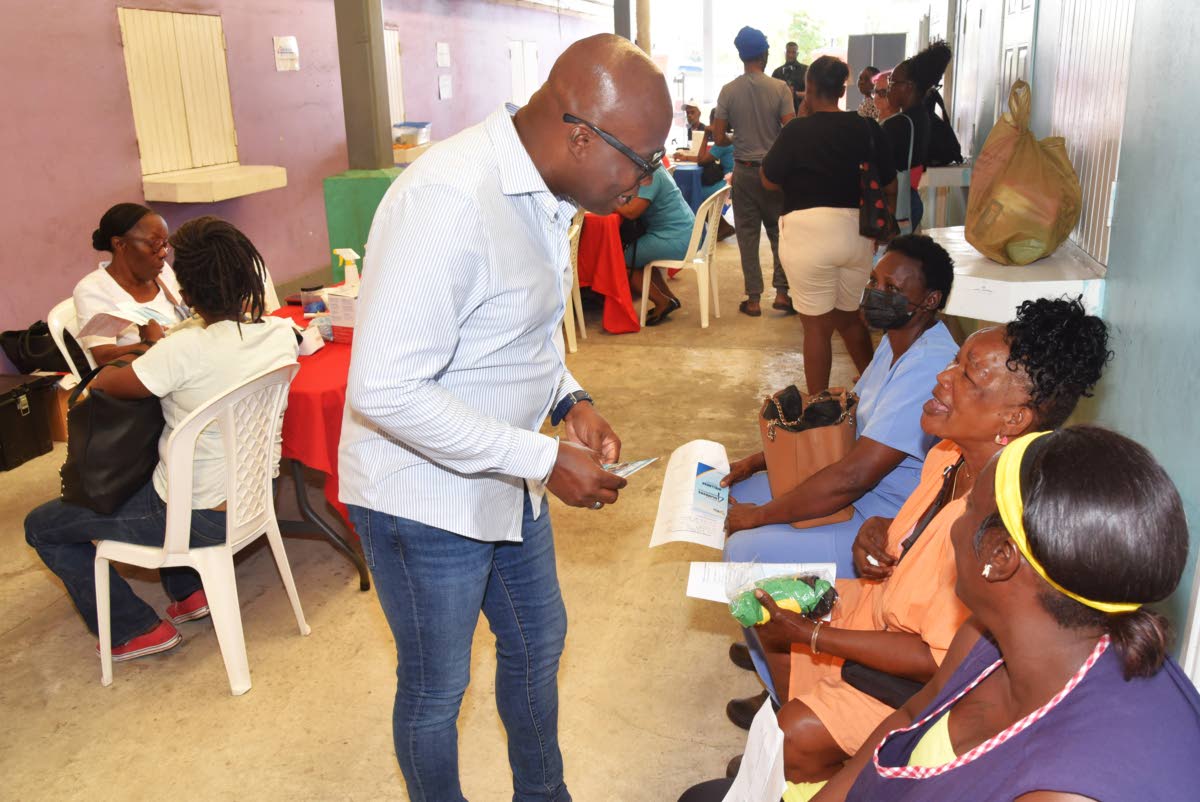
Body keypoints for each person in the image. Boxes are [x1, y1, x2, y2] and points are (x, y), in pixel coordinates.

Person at [337, 34, 671, 802]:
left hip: (504, 475)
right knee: (436, 688)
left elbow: (512, 330)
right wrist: (546, 460)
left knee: (535, 641)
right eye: (641, 158)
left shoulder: (549, 189)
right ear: (580, 133)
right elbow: (385, 391)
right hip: (420, 497)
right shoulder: (449, 199)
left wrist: (569, 399)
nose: (646, 178)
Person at [684, 297, 1113, 802]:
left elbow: (937, 662)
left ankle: (814, 754)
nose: (942, 379)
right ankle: (805, 742)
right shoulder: (952, 454)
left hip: (925, 679)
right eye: (954, 362)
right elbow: (922, 528)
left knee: (791, 717)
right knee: (764, 601)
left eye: (968, 376)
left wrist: (816, 635)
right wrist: (881, 531)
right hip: (883, 610)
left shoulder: (1001, 523)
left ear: (1014, 418)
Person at [813, 425, 1200, 802]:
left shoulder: (1064, 789)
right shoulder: (990, 636)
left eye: (966, 508)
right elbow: (913, 715)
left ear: (1000, 558)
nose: (953, 528)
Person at [25, 216, 299, 662]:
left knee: (42, 526)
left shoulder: (180, 350)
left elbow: (105, 384)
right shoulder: (279, 334)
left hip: (197, 516)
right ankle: (189, 591)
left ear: (186, 294)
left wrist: (149, 345)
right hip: (254, 495)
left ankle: (133, 629)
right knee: (161, 470)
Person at [723, 236, 958, 577]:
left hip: (882, 515)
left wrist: (759, 517)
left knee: (743, 551)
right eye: (874, 281)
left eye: (891, 288)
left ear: (930, 300)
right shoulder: (898, 341)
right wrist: (757, 461)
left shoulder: (928, 367)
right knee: (730, 493)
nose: (876, 293)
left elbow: (853, 476)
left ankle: (788, 624)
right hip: (856, 490)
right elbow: (844, 429)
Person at [761, 56, 898, 397]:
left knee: (817, 329)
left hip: (806, 234)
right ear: (842, 90)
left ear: (807, 89)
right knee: (849, 318)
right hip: (856, 235)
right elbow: (891, 186)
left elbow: (767, 180)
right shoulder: (867, 127)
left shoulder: (795, 131)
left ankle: (819, 409)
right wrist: (876, 231)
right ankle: (878, 391)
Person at [713, 26, 796, 318]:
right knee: (779, 234)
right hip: (773, 172)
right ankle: (783, 295)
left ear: (741, 55)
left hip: (744, 172)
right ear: (764, 54)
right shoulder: (780, 89)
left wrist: (739, 138)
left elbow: (719, 135)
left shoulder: (728, 91)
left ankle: (753, 300)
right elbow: (791, 130)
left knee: (747, 235)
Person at [75, 203, 190, 366]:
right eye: (155, 244)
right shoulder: (94, 289)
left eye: (165, 244)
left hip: (183, 361)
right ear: (120, 244)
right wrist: (149, 343)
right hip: (144, 376)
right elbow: (103, 356)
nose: (163, 253)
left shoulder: (162, 272)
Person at [882, 42, 953, 233]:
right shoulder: (922, 116)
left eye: (893, 82)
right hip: (910, 199)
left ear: (908, 87)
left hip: (895, 203)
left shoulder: (897, 124)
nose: (888, 88)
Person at [618, 164, 696, 325]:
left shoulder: (651, 176)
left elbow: (632, 212)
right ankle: (669, 299)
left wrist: (607, 201)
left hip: (675, 237)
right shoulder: (656, 169)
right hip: (685, 232)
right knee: (642, 256)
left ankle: (662, 301)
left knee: (624, 262)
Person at [773, 41, 809, 112]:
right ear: (785, 53)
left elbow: (812, 94)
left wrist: (795, 94)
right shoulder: (777, 72)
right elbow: (772, 95)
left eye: (793, 52)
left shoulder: (806, 70)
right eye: (788, 52)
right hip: (781, 113)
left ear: (797, 54)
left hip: (801, 113)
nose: (790, 55)